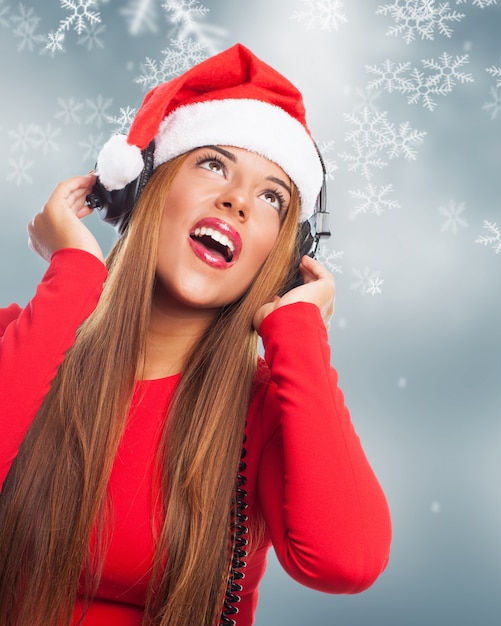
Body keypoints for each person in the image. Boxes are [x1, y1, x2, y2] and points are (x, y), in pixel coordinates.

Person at [0, 43, 391, 626]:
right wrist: (75, 274)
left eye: (271, 198)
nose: (236, 201)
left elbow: (347, 562)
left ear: (281, 258)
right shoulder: (22, 338)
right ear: (145, 191)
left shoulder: (267, 410)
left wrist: (299, 333)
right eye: (213, 164)